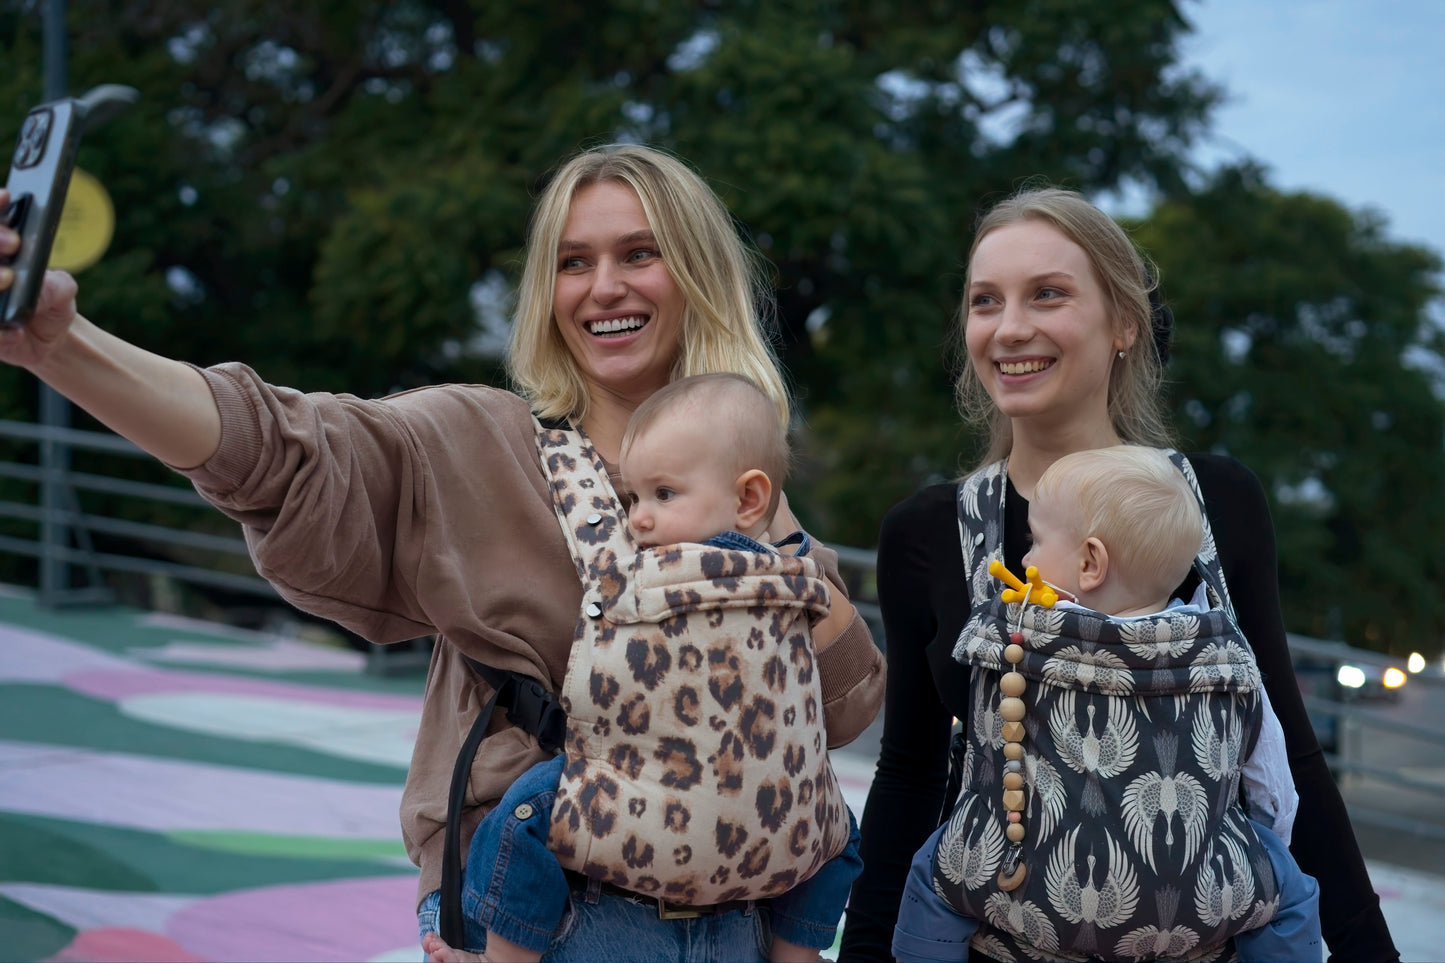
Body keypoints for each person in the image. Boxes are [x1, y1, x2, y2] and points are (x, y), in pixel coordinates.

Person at [0, 143, 886, 963]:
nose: (602, 286)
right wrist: (62, 348)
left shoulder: (748, 491)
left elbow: (839, 716)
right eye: (572, 263)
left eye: (637, 254)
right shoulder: (477, 439)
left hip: (734, 918)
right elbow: (280, 447)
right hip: (543, 916)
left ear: (696, 275)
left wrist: (774, 547)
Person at [839, 185, 1397, 962]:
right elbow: (907, 777)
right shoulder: (925, 531)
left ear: (1124, 323)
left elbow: (1291, 758)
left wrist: (1370, 950)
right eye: (984, 301)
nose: (1009, 328)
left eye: (1048, 295)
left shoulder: (1218, 501)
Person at [463, 371, 865, 963]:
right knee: (841, 836)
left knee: (523, 813)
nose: (638, 519)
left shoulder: (645, 567)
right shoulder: (796, 572)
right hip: (766, 808)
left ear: (749, 498)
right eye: (632, 498)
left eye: (663, 494)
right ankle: (796, 954)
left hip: (645, 793)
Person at [892, 444, 1320, 963]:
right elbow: (1272, 784)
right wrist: (1247, 843)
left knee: (932, 869)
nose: (1023, 559)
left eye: (1035, 542)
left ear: (1090, 562)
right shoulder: (1223, 654)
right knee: (1291, 890)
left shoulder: (1013, 637)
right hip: (1199, 902)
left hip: (1025, 884)